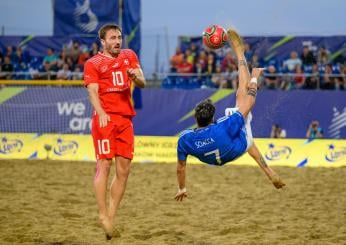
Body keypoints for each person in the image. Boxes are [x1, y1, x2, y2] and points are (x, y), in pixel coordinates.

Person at [175, 29, 285, 201]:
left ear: (196, 118)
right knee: (242, 96)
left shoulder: (184, 139)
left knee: (240, 117)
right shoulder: (224, 126)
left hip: (218, 155)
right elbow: (249, 103)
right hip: (235, 146)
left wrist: (182, 188)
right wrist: (255, 78)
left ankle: (269, 171)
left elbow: (181, 167)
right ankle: (240, 54)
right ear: (213, 119)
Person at [84, 23, 146, 239]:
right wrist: (100, 112)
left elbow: (143, 82)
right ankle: (102, 215)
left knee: (124, 170)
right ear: (103, 41)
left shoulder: (129, 55)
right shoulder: (93, 63)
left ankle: (111, 216)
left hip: (125, 119)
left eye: (119, 37)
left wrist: (135, 77)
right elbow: (92, 92)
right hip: (105, 119)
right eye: (112, 38)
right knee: (104, 164)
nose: (117, 41)